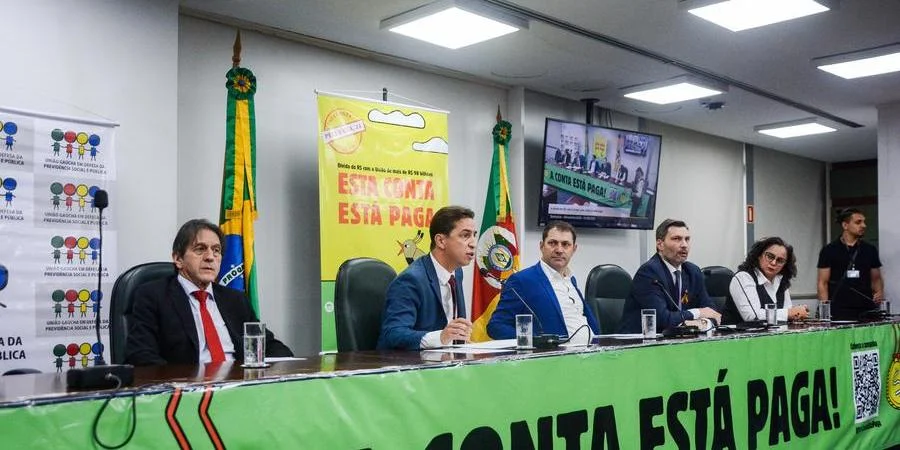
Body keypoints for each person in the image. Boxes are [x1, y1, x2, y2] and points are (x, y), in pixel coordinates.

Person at [125, 219, 292, 366]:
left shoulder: (235, 300)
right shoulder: (153, 296)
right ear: (178, 259)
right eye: (200, 249)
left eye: (216, 250)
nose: (210, 257)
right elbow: (141, 355)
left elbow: (268, 345)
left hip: (238, 389)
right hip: (189, 393)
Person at [377, 206, 476, 350]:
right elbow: (393, 334)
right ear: (441, 241)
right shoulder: (411, 280)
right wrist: (441, 337)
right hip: (409, 367)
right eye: (465, 235)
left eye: (474, 235)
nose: (473, 243)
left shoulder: (457, 273)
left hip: (445, 362)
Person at [487, 221, 600, 344]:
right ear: (541, 246)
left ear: (574, 249)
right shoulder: (522, 280)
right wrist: (534, 342)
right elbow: (496, 326)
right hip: (555, 359)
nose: (559, 250)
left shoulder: (571, 280)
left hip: (591, 355)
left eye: (566, 244)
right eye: (552, 243)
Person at [620, 219, 721, 333]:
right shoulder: (648, 273)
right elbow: (663, 319)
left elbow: (712, 312)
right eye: (676, 239)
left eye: (687, 239)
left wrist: (701, 323)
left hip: (677, 342)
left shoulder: (693, 271)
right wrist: (697, 313)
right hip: (638, 344)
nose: (684, 245)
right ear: (660, 244)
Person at [817, 208, 884, 320]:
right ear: (845, 225)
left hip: (866, 310)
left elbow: (876, 279)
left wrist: (879, 292)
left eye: (864, 222)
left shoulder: (870, 250)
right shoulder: (829, 250)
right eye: (858, 222)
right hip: (839, 310)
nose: (864, 225)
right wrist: (825, 312)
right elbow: (822, 283)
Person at [725, 237, 808, 324]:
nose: (773, 263)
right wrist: (790, 313)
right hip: (736, 335)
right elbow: (752, 316)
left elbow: (787, 312)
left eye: (780, 260)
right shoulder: (743, 277)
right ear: (759, 255)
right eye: (770, 256)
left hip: (771, 334)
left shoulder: (781, 280)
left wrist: (797, 313)